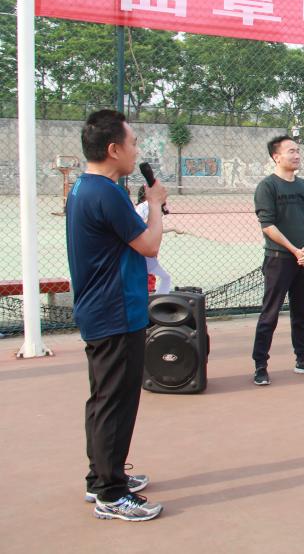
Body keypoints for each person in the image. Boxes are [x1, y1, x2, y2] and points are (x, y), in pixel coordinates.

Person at [67, 109, 166, 521]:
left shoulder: (84, 187)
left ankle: (102, 478)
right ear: (113, 149)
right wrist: (155, 204)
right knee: (116, 403)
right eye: (133, 143)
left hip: (101, 311)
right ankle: (111, 493)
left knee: (103, 399)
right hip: (115, 312)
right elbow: (149, 245)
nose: (136, 150)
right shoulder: (107, 193)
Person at [252, 136, 304, 385]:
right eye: (291, 151)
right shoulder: (267, 187)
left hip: (303, 260)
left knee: (301, 312)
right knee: (270, 314)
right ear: (276, 157)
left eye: (298, 151)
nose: (296, 155)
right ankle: (260, 365)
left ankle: (302, 360)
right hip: (278, 260)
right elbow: (268, 225)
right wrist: (294, 250)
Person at [134, 188, 172, 294]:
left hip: (152, 241)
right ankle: (146, 290)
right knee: (145, 267)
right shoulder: (143, 207)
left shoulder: (157, 206)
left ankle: (149, 289)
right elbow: (138, 224)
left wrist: (172, 229)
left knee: (150, 268)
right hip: (144, 242)